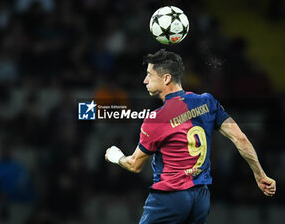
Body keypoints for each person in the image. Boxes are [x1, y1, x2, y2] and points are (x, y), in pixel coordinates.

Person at [104, 49, 276, 224]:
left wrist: (115, 156)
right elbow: (240, 139)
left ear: (166, 78)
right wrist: (260, 175)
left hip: (169, 197)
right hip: (201, 199)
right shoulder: (207, 102)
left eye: (149, 75)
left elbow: (135, 165)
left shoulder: (156, 118)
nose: (145, 80)